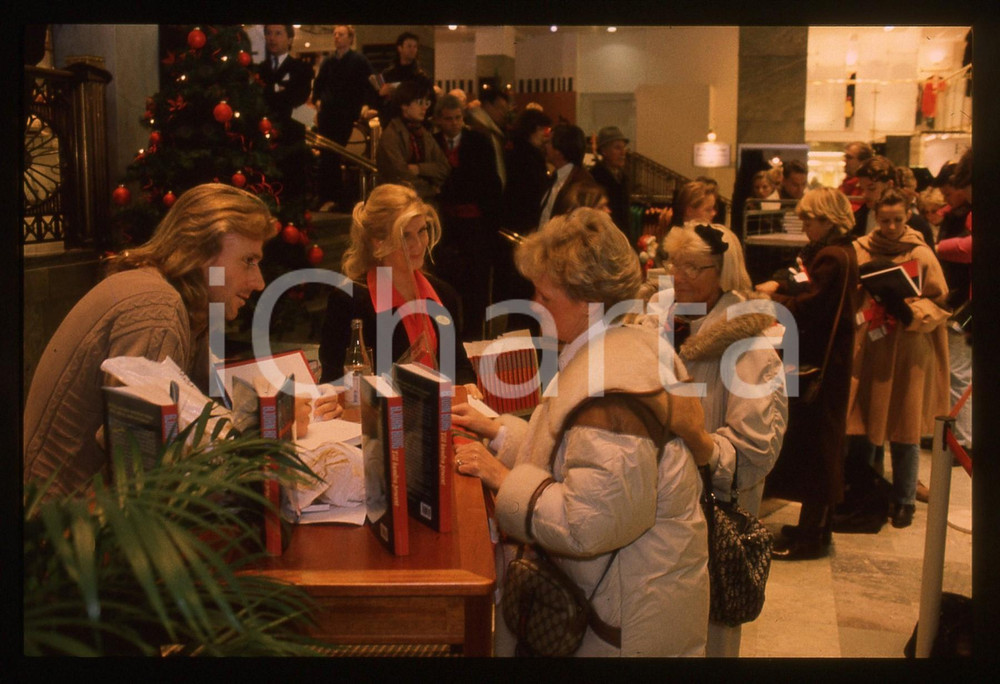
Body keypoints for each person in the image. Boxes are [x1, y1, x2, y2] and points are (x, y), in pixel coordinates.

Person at [450, 208, 711, 656]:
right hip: (627, 598)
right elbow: (570, 455)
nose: (533, 305)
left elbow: (587, 523)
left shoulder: (611, 390)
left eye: (545, 296)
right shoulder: (618, 347)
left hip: (620, 621)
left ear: (589, 301)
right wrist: (499, 433)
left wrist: (502, 477)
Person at [24, 184, 340, 500]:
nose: (258, 282)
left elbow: (203, 408)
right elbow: (142, 460)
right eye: (248, 260)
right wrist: (273, 426)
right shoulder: (156, 307)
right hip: (64, 530)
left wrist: (275, 410)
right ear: (200, 253)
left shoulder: (185, 305)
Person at [657, 222, 788, 656]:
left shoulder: (749, 348)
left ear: (724, 272)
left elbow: (754, 454)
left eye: (693, 267)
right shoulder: (672, 323)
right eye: (675, 264)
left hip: (717, 515)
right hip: (669, 509)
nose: (678, 276)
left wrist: (694, 438)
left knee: (711, 630)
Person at [755, 188, 860, 560]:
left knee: (818, 449)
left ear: (827, 220)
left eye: (809, 220)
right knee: (824, 445)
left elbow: (812, 307)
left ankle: (810, 537)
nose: (804, 227)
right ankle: (816, 528)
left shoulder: (831, 256)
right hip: (834, 362)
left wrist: (773, 300)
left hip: (822, 366)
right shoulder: (842, 252)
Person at [845, 188, 950, 529]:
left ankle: (904, 500)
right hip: (871, 344)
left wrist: (911, 309)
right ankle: (868, 492)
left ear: (908, 217)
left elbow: (939, 301)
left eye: (898, 221)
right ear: (875, 216)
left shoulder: (920, 252)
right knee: (865, 425)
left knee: (904, 428)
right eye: (885, 220)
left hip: (908, 346)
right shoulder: (861, 248)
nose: (891, 228)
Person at [318, 184, 474, 386]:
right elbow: (333, 381)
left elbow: (459, 366)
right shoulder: (350, 300)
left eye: (422, 231)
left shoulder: (443, 293)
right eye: (405, 235)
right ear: (378, 241)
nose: (418, 244)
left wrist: (468, 387)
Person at [431, 94, 503, 341]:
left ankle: (474, 335)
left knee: (476, 285)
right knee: (446, 282)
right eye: (448, 119)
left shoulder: (478, 140)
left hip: (475, 224)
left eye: (458, 118)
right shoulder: (433, 142)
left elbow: (491, 184)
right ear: (439, 120)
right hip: (446, 223)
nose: (454, 124)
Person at [311, 24, 379, 210]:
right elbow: (318, 84)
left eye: (341, 34)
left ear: (350, 38)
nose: (337, 37)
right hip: (326, 114)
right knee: (326, 154)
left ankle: (334, 197)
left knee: (333, 154)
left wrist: (368, 104)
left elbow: (375, 81)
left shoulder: (359, 60)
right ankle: (328, 196)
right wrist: (317, 100)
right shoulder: (328, 61)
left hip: (345, 114)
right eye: (335, 34)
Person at [375, 80, 450, 202]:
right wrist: (431, 189)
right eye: (420, 102)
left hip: (422, 202)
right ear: (404, 105)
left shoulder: (423, 133)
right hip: (397, 204)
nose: (424, 107)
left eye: (427, 103)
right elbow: (399, 176)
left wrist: (418, 168)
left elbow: (444, 167)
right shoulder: (391, 135)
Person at [851, 156, 935, 248]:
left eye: (871, 188)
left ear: (889, 185)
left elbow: (927, 260)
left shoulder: (918, 224)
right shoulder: (856, 220)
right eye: (862, 189)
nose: (865, 194)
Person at [257, 25, 313, 143]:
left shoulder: (301, 68)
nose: (271, 38)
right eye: (268, 33)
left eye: (278, 33)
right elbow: (255, 96)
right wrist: (278, 88)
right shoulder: (259, 69)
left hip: (291, 136)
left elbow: (298, 98)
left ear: (290, 39)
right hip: (262, 136)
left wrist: (268, 90)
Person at [540, 123, 598, 228]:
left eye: (548, 142)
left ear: (558, 151)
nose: (545, 145)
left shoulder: (582, 182)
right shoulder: (555, 177)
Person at [589, 126, 631, 236]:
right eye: (617, 148)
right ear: (604, 151)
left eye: (624, 148)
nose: (623, 153)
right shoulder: (595, 177)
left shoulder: (623, 177)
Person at [466, 88, 511, 188]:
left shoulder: (492, 130)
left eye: (505, 110)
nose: (503, 114)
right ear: (487, 106)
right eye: (501, 108)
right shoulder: (478, 130)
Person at [838, 141, 874, 211]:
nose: (845, 161)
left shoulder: (869, 186)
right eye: (845, 157)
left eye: (849, 158)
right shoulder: (845, 185)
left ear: (863, 162)